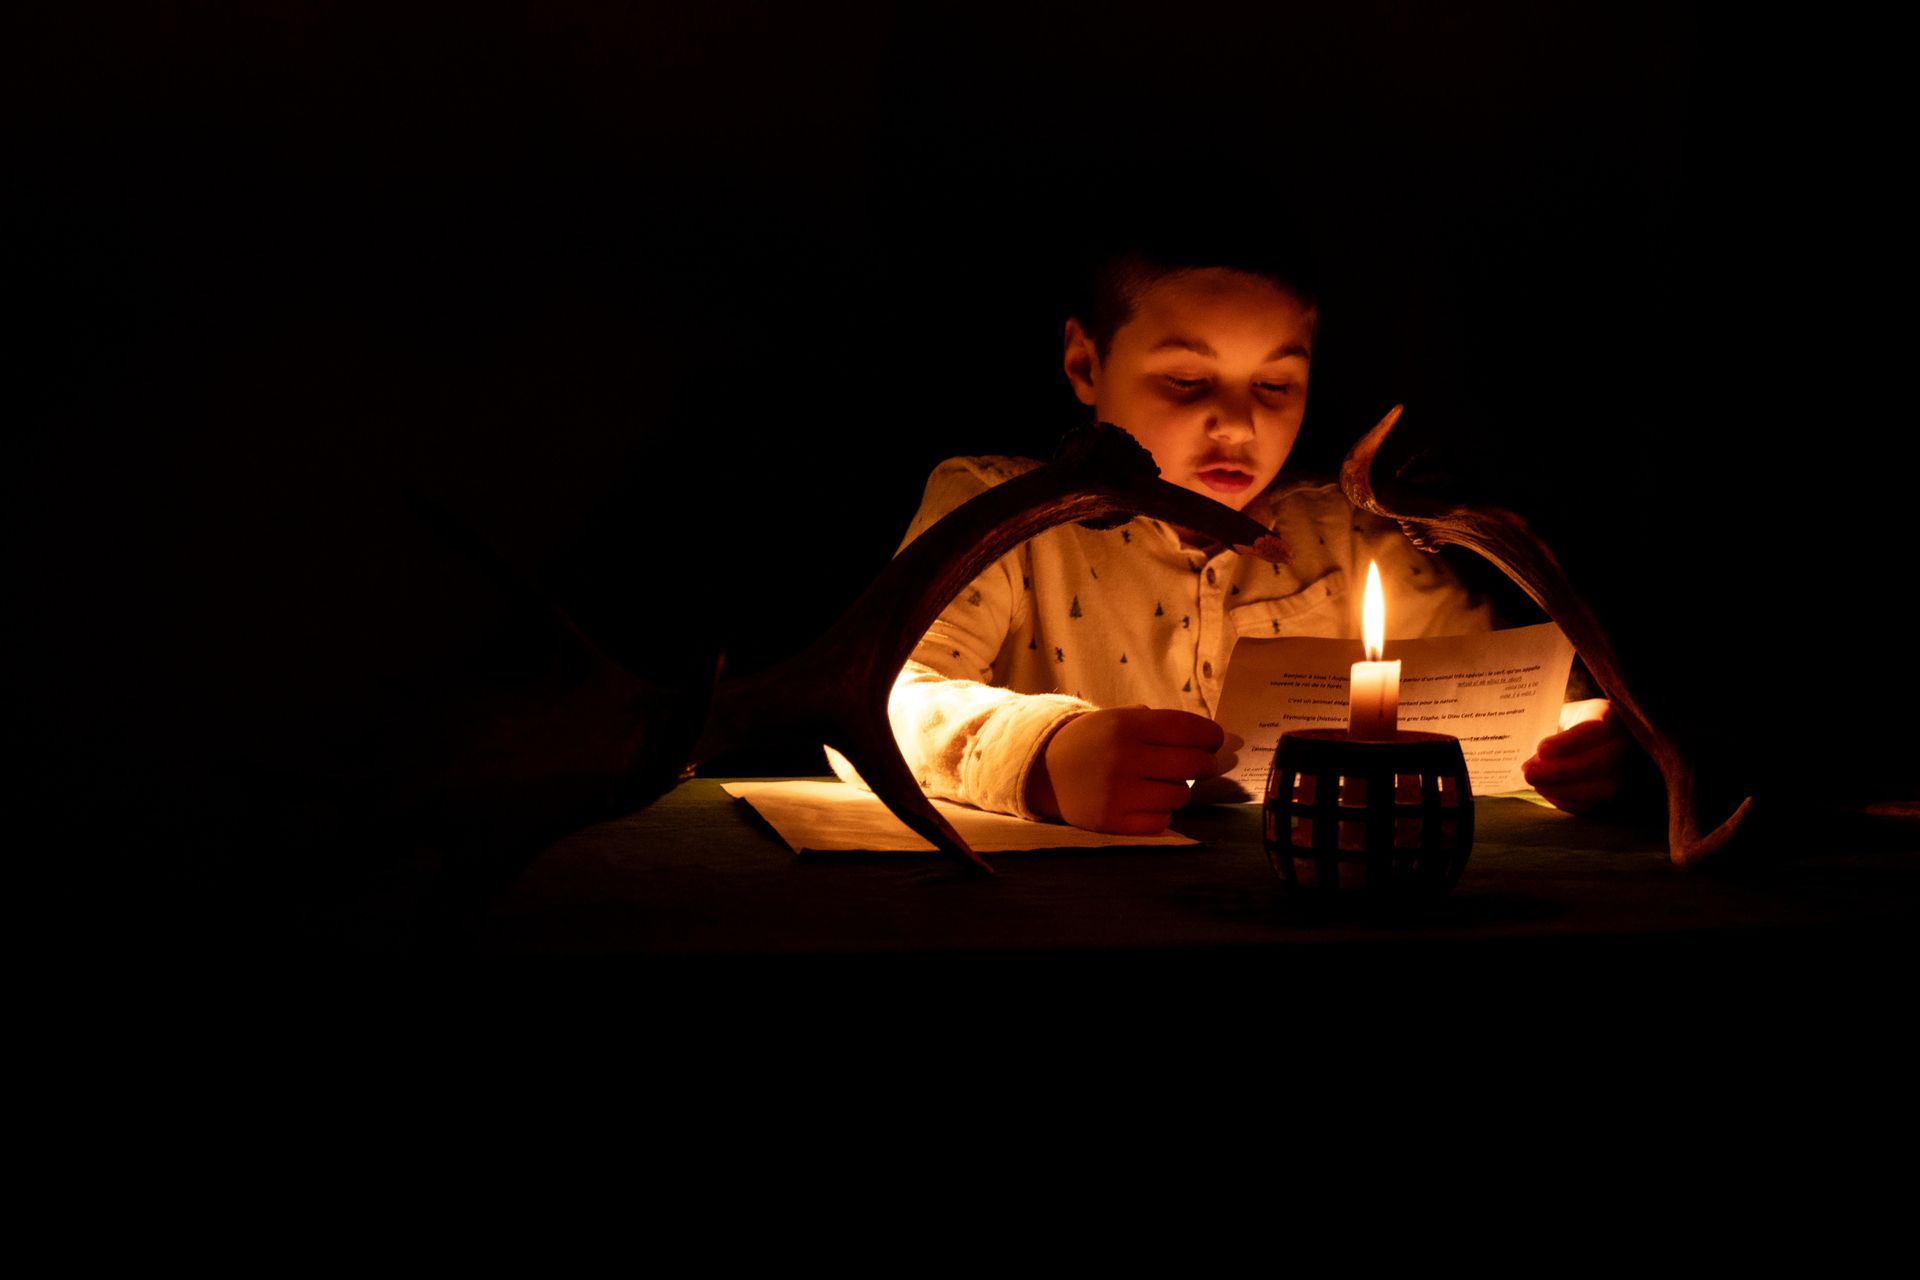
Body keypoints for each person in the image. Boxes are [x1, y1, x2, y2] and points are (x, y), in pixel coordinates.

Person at [833, 231, 1630, 833]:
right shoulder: (1003, 515)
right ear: (1084, 364)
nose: (1239, 424)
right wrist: (1044, 755)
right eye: (1188, 380)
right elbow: (873, 699)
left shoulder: (1348, 537)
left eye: (1276, 384)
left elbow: (1498, 684)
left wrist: (1574, 737)